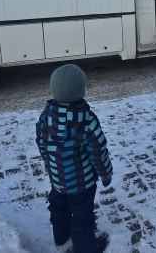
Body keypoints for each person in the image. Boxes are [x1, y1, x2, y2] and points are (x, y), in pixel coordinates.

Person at [36, 64, 112, 253]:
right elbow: (98, 152)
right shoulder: (86, 121)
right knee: (82, 217)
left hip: (57, 178)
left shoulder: (46, 116)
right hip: (82, 184)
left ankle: (61, 238)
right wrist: (105, 174)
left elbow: (41, 143)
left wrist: (49, 164)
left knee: (58, 207)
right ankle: (86, 249)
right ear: (81, 90)